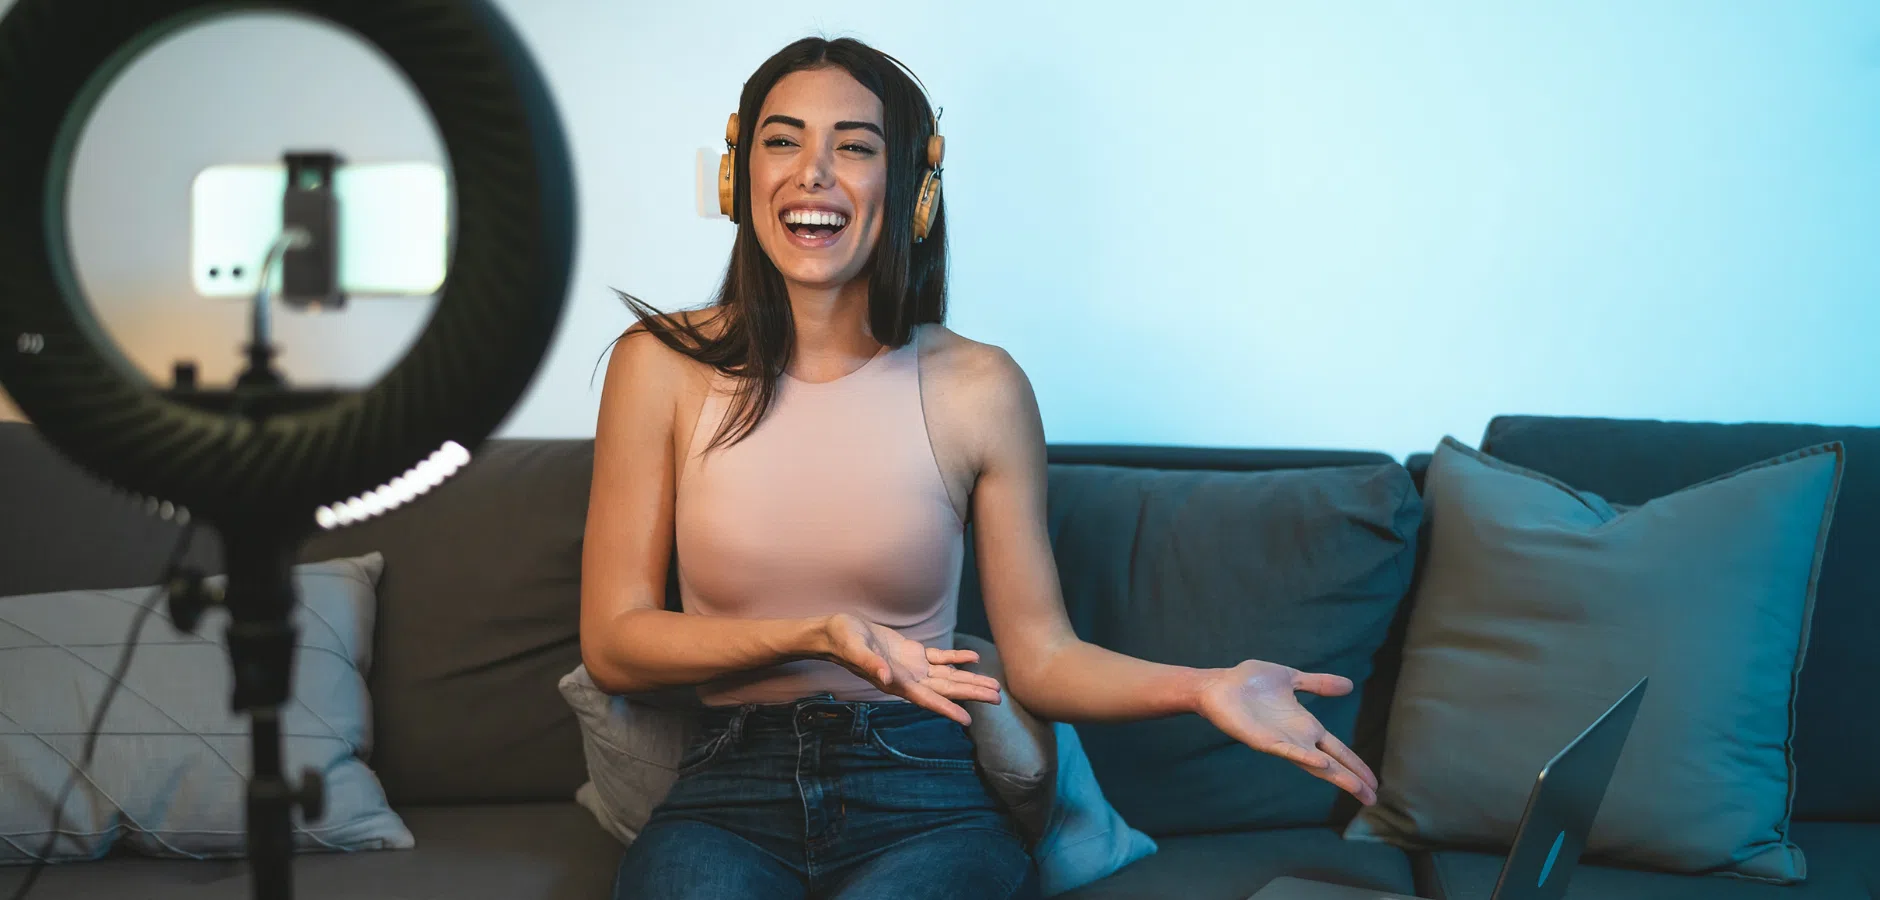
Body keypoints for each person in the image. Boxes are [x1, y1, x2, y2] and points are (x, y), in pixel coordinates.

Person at [579, 36, 1378, 900]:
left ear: (915, 192)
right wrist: (816, 633)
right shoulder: (657, 365)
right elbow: (616, 644)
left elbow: (1039, 657)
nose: (813, 171)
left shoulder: (981, 386)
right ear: (738, 177)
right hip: (730, 783)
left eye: (854, 145)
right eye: (783, 140)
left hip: (921, 784)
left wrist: (1206, 688)